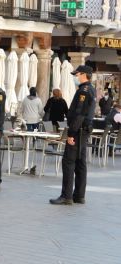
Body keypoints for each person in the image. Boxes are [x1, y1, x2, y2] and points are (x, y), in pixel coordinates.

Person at [50, 65, 96, 205]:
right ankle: (79, 195)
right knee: (81, 163)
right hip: (84, 130)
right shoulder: (91, 89)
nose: (75, 77)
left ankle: (66, 196)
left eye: (77, 74)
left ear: (84, 74)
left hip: (78, 130)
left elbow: (79, 114)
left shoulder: (84, 91)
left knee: (68, 162)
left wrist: (71, 133)